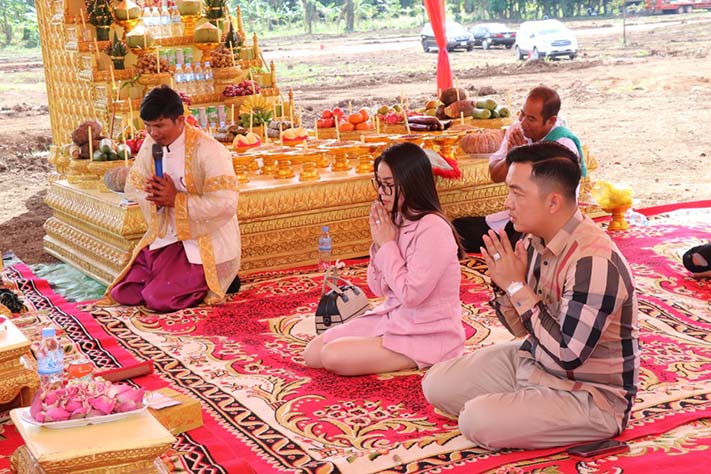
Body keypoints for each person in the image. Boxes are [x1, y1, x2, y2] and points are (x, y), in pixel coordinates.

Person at [422, 142, 639, 450]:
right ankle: (526, 404)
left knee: (476, 421)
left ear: (553, 202)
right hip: (536, 362)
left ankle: (533, 410)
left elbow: (568, 354)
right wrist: (503, 284)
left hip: (589, 394)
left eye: (517, 193)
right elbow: (520, 329)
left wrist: (516, 286)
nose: (507, 203)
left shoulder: (593, 261)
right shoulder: (534, 241)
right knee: (437, 384)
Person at [303, 142, 466, 376]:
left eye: (388, 185)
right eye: (379, 183)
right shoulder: (396, 220)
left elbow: (411, 296)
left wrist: (387, 244)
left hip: (427, 332)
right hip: (394, 317)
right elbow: (378, 288)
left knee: (332, 355)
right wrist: (379, 243)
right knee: (312, 353)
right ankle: (381, 344)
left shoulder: (433, 228)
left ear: (411, 183)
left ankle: (425, 354)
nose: (381, 192)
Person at [107, 85, 241, 312]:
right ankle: (187, 278)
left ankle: (217, 278)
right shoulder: (151, 144)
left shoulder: (210, 151)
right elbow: (135, 184)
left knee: (158, 299)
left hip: (203, 241)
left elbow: (225, 204)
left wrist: (176, 200)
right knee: (124, 292)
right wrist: (152, 193)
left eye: (159, 125)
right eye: (148, 126)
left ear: (180, 120)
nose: (153, 133)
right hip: (168, 235)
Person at [453, 86, 585, 252]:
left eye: (531, 119)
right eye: (522, 114)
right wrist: (512, 154)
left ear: (551, 121)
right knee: (457, 229)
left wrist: (522, 156)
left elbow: (559, 202)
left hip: (545, 221)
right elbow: (495, 175)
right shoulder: (517, 130)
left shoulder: (563, 145)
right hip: (517, 216)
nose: (523, 122)